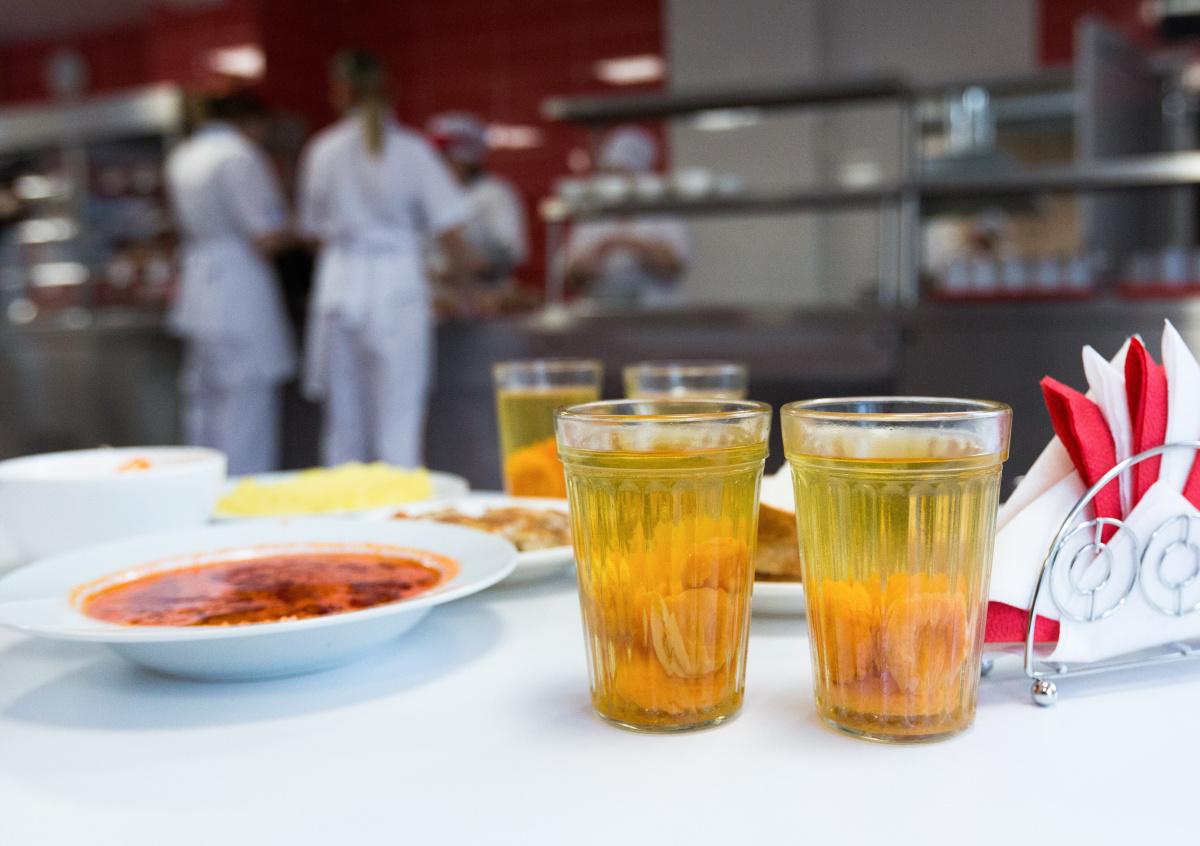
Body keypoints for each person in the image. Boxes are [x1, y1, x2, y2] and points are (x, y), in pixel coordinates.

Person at [297, 50, 472, 467]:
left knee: (343, 423)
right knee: (398, 418)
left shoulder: (322, 150)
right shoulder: (410, 150)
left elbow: (312, 233)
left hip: (339, 288)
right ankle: (400, 501)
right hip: (396, 289)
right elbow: (451, 230)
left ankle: (344, 504)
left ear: (341, 91)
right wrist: (465, 290)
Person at [164, 91, 297, 475]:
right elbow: (265, 235)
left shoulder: (184, 155)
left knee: (204, 406)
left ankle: (201, 487)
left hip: (199, 294)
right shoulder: (238, 156)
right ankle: (240, 492)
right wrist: (302, 228)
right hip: (238, 291)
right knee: (246, 405)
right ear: (253, 121)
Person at [563, 126, 692, 308]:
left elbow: (675, 265)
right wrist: (601, 248)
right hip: (603, 310)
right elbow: (573, 273)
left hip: (655, 311)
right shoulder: (594, 213)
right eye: (609, 172)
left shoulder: (661, 211)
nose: (614, 180)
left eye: (621, 173)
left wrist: (629, 244)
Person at [426, 112, 528, 291]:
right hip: (439, 295)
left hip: (487, 294)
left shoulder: (494, 193)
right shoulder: (432, 194)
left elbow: (510, 250)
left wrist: (461, 266)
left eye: (447, 157)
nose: (440, 164)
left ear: (468, 159)